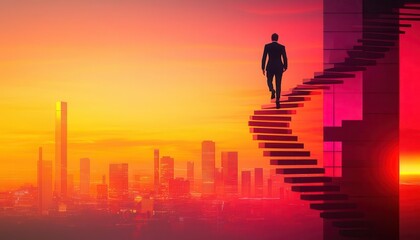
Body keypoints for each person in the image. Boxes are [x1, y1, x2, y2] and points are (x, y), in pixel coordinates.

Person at [261, 33, 288, 109]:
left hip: (270, 67)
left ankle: (272, 90)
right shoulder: (281, 47)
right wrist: (285, 66)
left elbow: (264, 57)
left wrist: (262, 67)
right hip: (279, 67)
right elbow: (285, 57)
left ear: (271, 38)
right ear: (277, 38)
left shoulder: (267, 46)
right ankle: (277, 100)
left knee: (269, 80)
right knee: (278, 84)